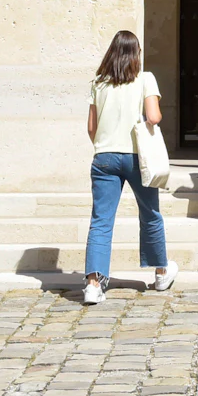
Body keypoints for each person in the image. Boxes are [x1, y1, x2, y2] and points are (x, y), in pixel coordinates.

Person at [83, 29, 178, 305]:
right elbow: (154, 116)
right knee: (150, 214)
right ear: (136, 54)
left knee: (101, 220)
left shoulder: (98, 82)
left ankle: (93, 284)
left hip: (104, 157)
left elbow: (91, 127)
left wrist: (104, 144)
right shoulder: (145, 79)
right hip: (137, 156)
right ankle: (161, 273)